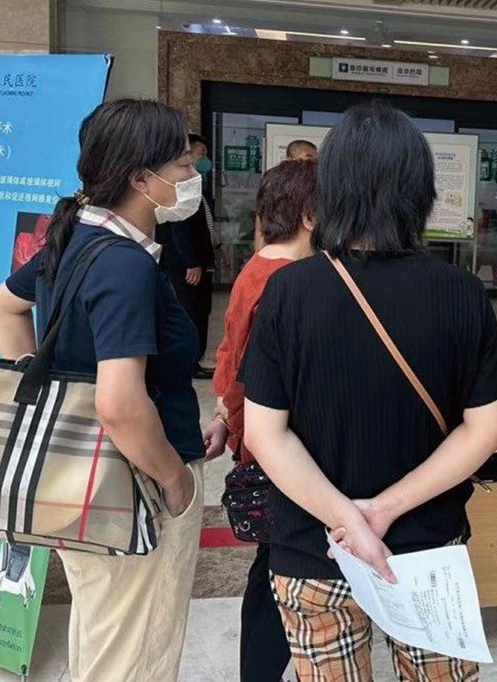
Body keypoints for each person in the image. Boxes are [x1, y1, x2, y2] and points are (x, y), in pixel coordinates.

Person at [240, 101, 497, 681]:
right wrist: (381, 512)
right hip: (426, 548)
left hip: (313, 547)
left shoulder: (288, 291)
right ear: (421, 189)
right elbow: (484, 430)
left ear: (332, 189)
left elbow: (264, 432)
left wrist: (349, 520)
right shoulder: (462, 292)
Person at [0, 99, 204, 682]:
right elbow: (120, 403)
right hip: (132, 482)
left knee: (103, 635)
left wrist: (46, 393)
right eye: (183, 165)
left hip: (76, 474)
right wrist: (175, 482)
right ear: (141, 179)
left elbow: (3, 306)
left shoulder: (74, 236)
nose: (193, 176)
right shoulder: (125, 265)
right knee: (135, 652)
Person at [203, 159, 317, 682]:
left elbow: (230, 358)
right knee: (281, 568)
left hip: (253, 436)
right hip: (279, 446)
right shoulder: (288, 281)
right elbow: (261, 375)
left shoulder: (255, 268)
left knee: (271, 562)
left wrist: (228, 416)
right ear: (311, 216)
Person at [155, 133, 218, 379]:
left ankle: (194, 360)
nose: (202, 161)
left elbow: (204, 227)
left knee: (201, 310)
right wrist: (191, 263)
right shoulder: (179, 193)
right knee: (190, 311)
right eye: (199, 155)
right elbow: (180, 229)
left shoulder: (196, 190)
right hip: (183, 266)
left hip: (198, 261)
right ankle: (188, 364)